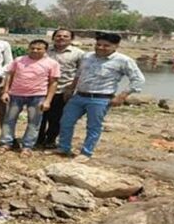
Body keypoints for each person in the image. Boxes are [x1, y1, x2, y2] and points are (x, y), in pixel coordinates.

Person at [57, 32, 146, 162]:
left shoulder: (123, 60)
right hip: (79, 95)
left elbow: (138, 79)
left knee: (93, 126)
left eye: (106, 45)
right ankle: (64, 148)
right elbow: (79, 74)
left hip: (100, 99)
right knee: (66, 121)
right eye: (98, 44)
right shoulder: (87, 56)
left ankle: (86, 152)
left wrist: (122, 96)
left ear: (115, 46)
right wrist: (71, 88)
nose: (101, 48)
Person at [0, 40, 60, 157]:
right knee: (9, 120)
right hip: (16, 94)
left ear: (45, 50)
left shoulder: (52, 63)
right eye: (32, 48)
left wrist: (48, 100)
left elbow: (53, 83)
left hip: (37, 95)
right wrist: (5, 92)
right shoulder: (19, 60)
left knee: (34, 122)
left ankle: (27, 146)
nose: (35, 51)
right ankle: (6, 143)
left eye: (39, 49)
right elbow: (10, 75)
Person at [36, 29, 85, 149]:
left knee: (56, 117)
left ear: (71, 39)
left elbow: (81, 72)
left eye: (65, 36)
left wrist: (72, 88)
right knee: (39, 116)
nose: (61, 38)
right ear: (53, 38)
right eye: (58, 36)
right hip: (42, 89)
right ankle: (38, 139)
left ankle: (50, 140)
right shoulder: (45, 51)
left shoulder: (79, 54)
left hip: (63, 90)